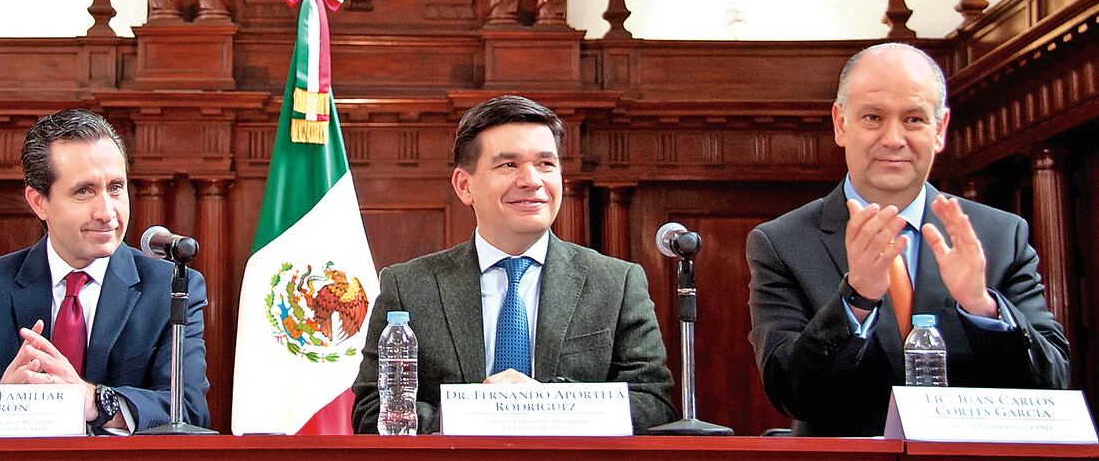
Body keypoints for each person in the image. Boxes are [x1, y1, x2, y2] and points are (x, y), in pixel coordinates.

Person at [746, 43, 1069, 436]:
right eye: (873, 117)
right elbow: (792, 393)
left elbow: (1052, 383)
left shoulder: (1000, 235)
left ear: (940, 129)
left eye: (914, 119)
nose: (894, 138)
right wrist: (857, 300)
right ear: (840, 124)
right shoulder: (783, 243)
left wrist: (983, 309)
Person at [352, 95, 676, 433]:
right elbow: (372, 412)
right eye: (509, 165)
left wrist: (545, 405)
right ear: (465, 186)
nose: (532, 180)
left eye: (546, 164)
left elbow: (654, 405)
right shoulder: (410, 287)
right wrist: (480, 412)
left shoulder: (616, 283)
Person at [0, 109, 211, 433]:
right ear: (39, 202)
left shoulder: (171, 287)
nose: (106, 212)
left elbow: (188, 411)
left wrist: (93, 400)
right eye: (84, 191)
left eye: (115, 187)